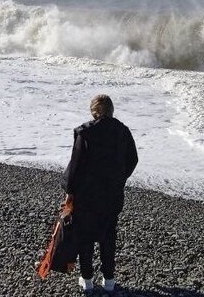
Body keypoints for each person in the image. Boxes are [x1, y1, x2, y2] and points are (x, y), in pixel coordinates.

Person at [62, 94, 138, 293]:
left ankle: (87, 280)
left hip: (87, 195)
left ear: (94, 112)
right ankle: (109, 280)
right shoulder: (123, 131)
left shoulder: (85, 133)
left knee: (85, 236)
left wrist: (69, 191)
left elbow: (75, 166)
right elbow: (133, 159)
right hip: (112, 194)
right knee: (108, 236)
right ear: (111, 110)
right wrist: (120, 179)